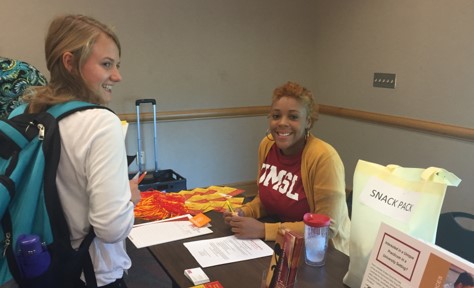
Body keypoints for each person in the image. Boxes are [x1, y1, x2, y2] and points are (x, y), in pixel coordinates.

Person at [20, 14, 140, 287]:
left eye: (117, 65)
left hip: (40, 264)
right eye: (106, 64)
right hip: (92, 272)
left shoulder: (31, 112)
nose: (117, 76)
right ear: (70, 62)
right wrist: (129, 197)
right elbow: (110, 228)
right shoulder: (100, 122)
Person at [223, 81, 350, 255]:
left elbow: (327, 228)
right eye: (276, 116)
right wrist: (245, 212)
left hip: (322, 253)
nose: (282, 123)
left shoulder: (324, 157)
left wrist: (263, 230)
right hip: (283, 243)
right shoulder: (266, 146)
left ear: (308, 122)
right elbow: (268, 198)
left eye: (293, 117)